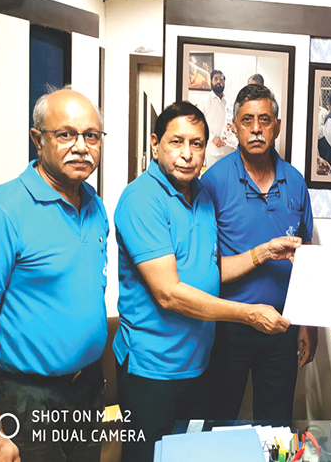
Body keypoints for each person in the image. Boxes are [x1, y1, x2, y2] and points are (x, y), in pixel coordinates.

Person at [113, 102, 301, 462]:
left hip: (199, 365)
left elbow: (211, 272)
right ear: (155, 144)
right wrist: (249, 314)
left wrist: (264, 252)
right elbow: (169, 294)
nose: (187, 154)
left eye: (196, 144)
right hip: (153, 371)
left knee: (194, 456)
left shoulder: (200, 195)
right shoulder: (141, 199)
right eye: (176, 142)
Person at [0, 87, 108, 461]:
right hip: (25, 399)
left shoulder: (95, 205)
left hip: (86, 390)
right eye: (66, 134)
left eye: (91, 136)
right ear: (38, 140)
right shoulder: (1, 212)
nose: (81, 147)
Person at [201, 84, 317, 422]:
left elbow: (307, 256)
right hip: (229, 324)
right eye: (247, 120)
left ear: (277, 127)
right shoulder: (213, 181)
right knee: (219, 419)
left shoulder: (295, 181)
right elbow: (204, 265)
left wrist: (308, 325)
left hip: (283, 325)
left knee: (276, 424)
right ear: (234, 127)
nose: (256, 129)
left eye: (264, 120)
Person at [198, 69, 237, 168]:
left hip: (228, 150)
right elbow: (200, 124)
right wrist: (212, 138)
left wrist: (235, 142)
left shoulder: (229, 103)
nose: (219, 81)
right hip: (212, 150)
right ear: (211, 81)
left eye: (221, 79)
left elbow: (232, 124)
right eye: (216, 79)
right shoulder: (204, 101)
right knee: (212, 176)